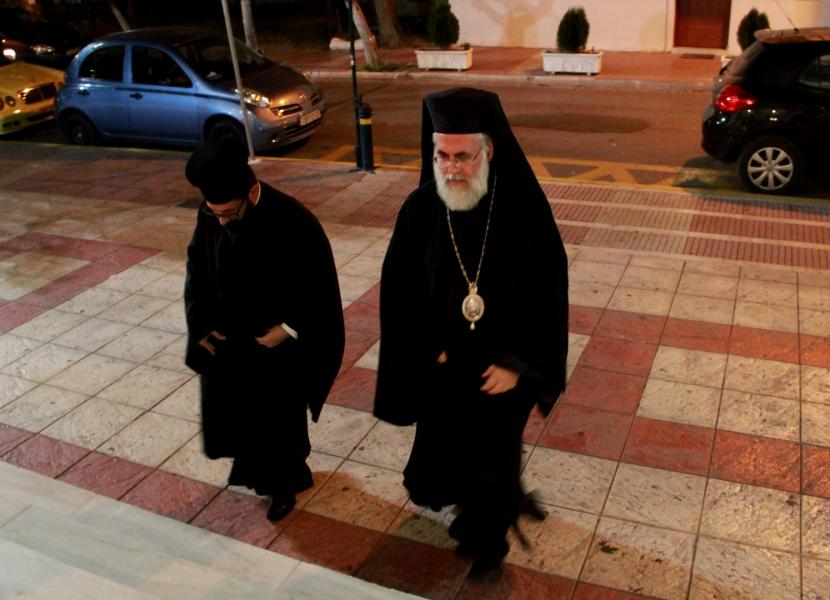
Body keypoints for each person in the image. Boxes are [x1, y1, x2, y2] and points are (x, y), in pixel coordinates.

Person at [374, 88, 569, 579]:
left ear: (489, 149)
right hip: (444, 368)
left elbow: (548, 293)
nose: (452, 168)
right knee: (449, 454)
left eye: (463, 156)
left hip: (501, 372)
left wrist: (518, 364)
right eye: (441, 155)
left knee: (493, 462)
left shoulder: (523, 208)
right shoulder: (421, 209)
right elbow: (398, 291)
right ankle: (470, 515)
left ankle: (489, 545)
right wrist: (427, 349)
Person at [184, 137, 344, 522]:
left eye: (228, 213)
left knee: (279, 423)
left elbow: (319, 287)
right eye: (214, 213)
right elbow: (197, 270)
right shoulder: (212, 215)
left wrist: (287, 329)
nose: (220, 222)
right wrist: (202, 325)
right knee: (242, 417)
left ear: (251, 192)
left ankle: (286, 484)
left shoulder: (294, 221)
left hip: (276, 349)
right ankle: (255, 474)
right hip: (234, 341)